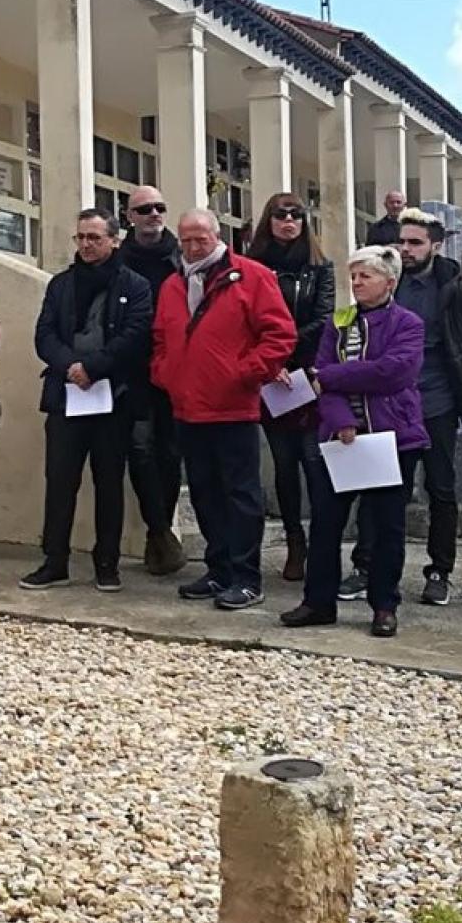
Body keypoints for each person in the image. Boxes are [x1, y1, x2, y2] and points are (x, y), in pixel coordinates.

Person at [151, 208, 295, 610]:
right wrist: (168, 375)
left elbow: (280, 335)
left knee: (241, 495)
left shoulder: (251, 276)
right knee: (204, 493)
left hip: (234, 408)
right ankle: (218, 570)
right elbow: (161, 337)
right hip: (188, 407)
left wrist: (245, 374)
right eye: (187, 240)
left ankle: (247, 576)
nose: (194, 247)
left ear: (218, 236)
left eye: (202, 238)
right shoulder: (172, 285)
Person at [341, 207, 462, 608]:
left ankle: (440, 571)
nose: (405, 249)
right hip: (386, 406)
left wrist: (454, 386)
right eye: (401, 241)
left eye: (415, 243)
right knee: (381, 487)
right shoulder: (387, 285)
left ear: (435, 247)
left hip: (436, 402)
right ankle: (366, 567)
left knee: (440, 488)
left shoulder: (453, 289)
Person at [282, 246, 426, 638]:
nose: (357, 283)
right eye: (354, 276)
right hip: (341, 439)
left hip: (391, 438)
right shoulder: (339, 321)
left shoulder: (408, 323)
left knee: (386, 527)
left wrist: (334, 376)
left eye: (366, 276)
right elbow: (320, 375)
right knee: (326, 523)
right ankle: (318, 602)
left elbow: (394, 372)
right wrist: (341, 418)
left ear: (389, 282)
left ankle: (383, 604)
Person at [21, 207, 152, 592]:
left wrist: (94, 368)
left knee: (109, 481)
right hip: (66, 396)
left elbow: (135, 336)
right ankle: (54, 560)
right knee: (59, 480)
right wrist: (70, 366)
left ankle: (107, 563)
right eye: (81, 237)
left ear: (114, 240)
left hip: (112, 396)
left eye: (95, 237)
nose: (87, 245)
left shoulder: (135, 285)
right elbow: (44, 334)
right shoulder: (60, 285)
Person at [246, 192, 335, 583]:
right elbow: (246, 319)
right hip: (273, 376)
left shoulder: (320, 267)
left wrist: (285, 350)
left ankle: (321, 542)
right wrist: (272, 362)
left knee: (314, 460)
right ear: (269, 220)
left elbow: (324, 317)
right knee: (283, 464)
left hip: (310, 374)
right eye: (281, 215)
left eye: (296, 215)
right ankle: (294, 540)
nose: (288, 221)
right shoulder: (252, 267)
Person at [118, 185, 186, 575]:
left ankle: (159, 533)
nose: (153, 214)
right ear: (130, 216)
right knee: (140, 450)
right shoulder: (120, 259)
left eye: (160, 207)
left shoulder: (182, 257)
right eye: (144, 209)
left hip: (175, 368)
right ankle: (158, 530)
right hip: (134, 370)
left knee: (170, 453)